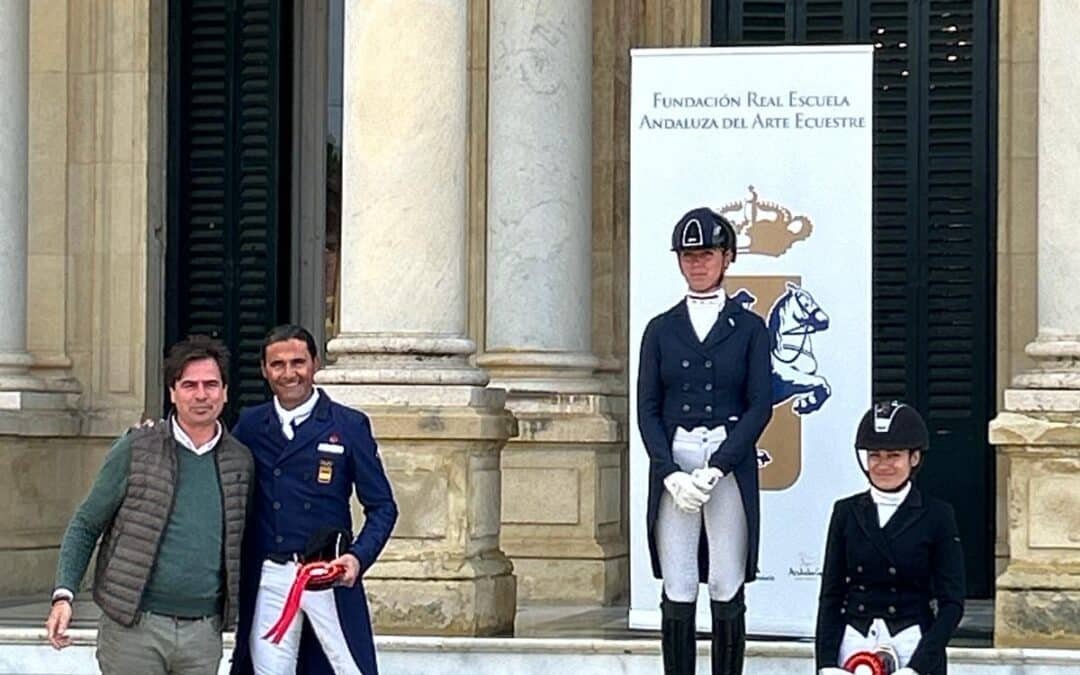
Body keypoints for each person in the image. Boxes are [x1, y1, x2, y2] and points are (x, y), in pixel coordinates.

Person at [44, 336, 253, 675]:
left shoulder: (240, 461)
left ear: (225, 391)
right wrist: (63, 595)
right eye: (190, 385)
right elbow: (86, 524)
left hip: (203, 634)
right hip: (134, 628)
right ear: (173, 392)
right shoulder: (137, 448)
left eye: (211, 384)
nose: (201, 395)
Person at [637, 207, 773, 674]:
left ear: (727, 257)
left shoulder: (750, 328)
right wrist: (669, 473)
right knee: (677, 580)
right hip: (677, 459)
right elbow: (647, 408)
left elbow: (760, 405)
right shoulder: (661, 328)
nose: (697, 263)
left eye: (707, 254)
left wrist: (721, 465)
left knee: (725, 578)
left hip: (726, 462)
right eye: (688, 255)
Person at [230, 324, 398, 675]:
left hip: (328, 574)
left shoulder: (349, 425)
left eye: (298, 362)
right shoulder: (249, 424)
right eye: (278, 364)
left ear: (315, 364)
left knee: (350, 668)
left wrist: (357, 557)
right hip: (270, 574)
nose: (289, 373)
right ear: (264, 370)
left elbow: (383, 506)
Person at [816, 401, 966, 675]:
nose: (883, 465)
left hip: (911, 642)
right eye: (875, 456)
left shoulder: (938, 515)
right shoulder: (845, 512)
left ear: (914, 458)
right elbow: (831, 595)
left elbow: (952, 604)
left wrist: (919, 666)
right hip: (854, 644)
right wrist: (825, 664)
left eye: (893, 455)